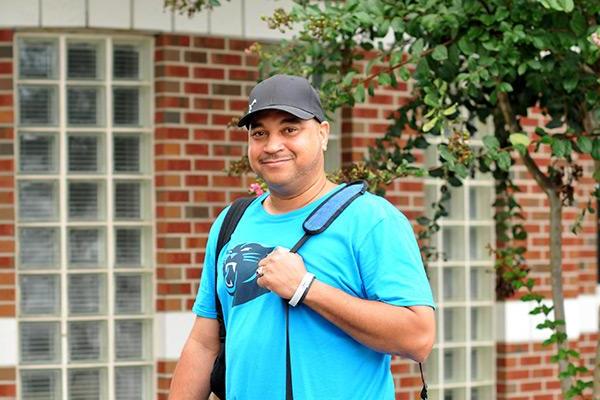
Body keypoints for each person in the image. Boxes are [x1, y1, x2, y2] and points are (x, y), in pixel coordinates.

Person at [169, 74, 436, 400]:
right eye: (259, 133)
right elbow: (203, 344)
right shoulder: (231, 222)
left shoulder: (371, 220)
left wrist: (306, 289)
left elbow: (418, 338)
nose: (272, 145)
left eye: (289, 129)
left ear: (323, 134)